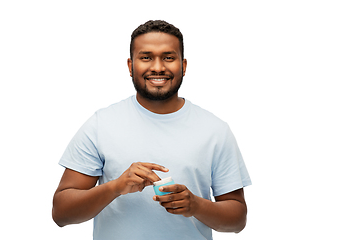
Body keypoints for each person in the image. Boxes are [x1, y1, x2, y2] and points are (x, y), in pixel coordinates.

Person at [52, 20, 251, 240]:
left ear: (183, 66)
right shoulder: (101, 125)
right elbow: (61, 213)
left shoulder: (215, 130)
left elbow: (238, 220)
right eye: (146, 57)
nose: (157, 67)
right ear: (130, 66)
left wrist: (196, 205)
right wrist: (115, 187)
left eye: (168, 57)